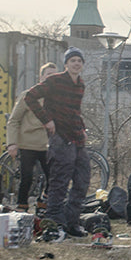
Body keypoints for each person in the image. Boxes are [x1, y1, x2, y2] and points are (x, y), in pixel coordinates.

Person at [24, 47, 91, 237]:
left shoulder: (80, 84)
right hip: (60, 137)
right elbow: (30, 97)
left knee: (82, 179)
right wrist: (47, 120)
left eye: (79, 61)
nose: (76, 64)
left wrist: (83, 129)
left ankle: (72, 222)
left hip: (77, 137)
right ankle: (54, 222)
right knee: (59, 181)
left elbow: (75, 111)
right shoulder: (54, 80)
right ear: (66, 64)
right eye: (72, 61)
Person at [5, 62, 56, 212]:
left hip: (49, 144)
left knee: (53, 176)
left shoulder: (58, 99)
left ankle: (43, 204)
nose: (51, 78)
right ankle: (22, 207)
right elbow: (13, 120)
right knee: (27, 177)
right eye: (49, 75)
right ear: (41, 77)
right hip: (28, 143)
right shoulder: (28, 96)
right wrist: (12, 143)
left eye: (55, 75)